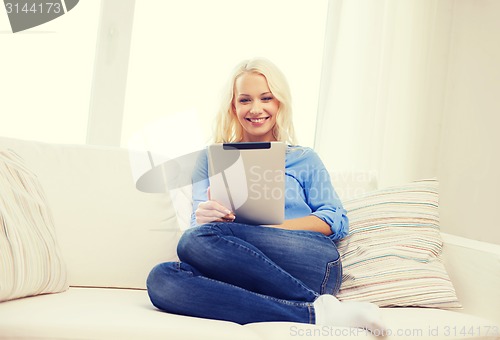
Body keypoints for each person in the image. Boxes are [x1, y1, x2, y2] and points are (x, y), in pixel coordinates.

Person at [147, 58, 385, 333]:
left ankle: (312, 301)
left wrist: (272, 229)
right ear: (233, 107)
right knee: (162, 278)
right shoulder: (211, 159)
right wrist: (205, 217)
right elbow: (199, 233)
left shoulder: (303, 158)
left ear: (279, 103)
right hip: (239, 267)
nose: (256, 109)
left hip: (308, 259)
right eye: (245, 100)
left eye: (266, 98)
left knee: (196, 240)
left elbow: (335, 219)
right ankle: (314, 311)